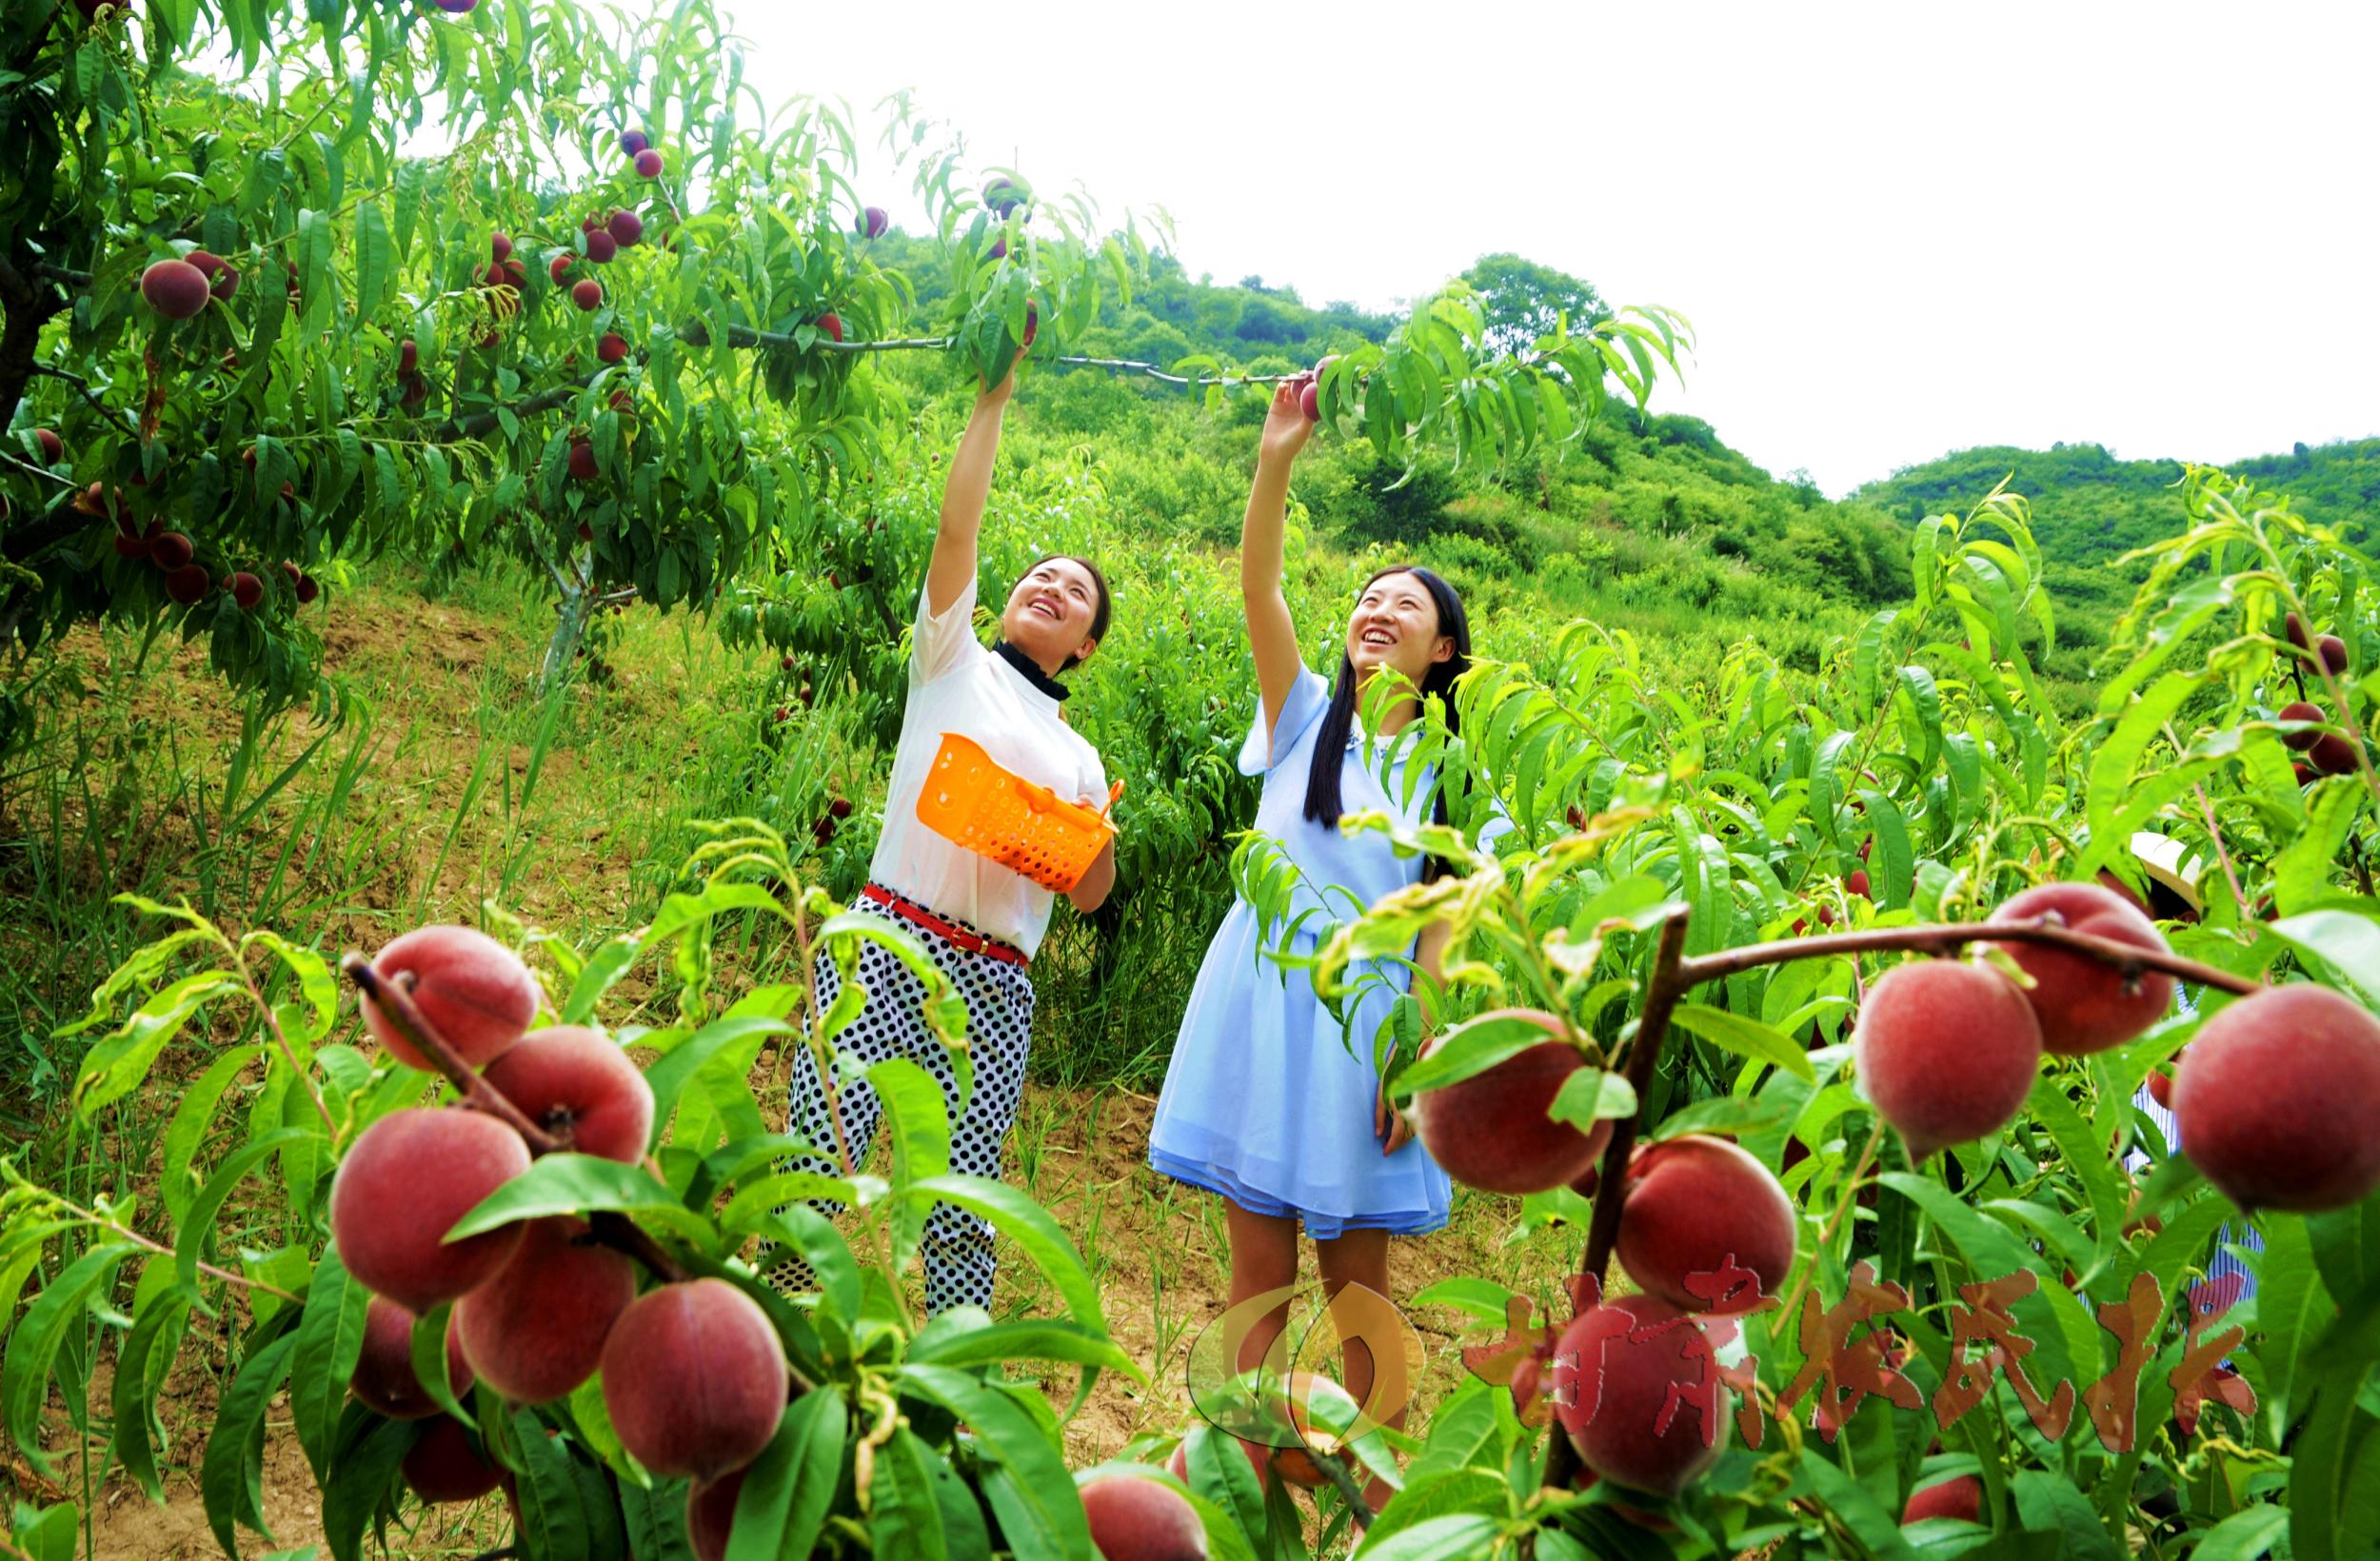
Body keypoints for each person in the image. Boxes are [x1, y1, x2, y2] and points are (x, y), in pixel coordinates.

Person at [1146, 379, 1479, 1509]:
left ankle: (1376, 1499)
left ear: (1443, 654)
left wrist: (1417, 1051)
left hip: (1364, 1021)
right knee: (1252, 1273)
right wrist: (1275, 454)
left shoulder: (1450, 771)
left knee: (1358, 1287)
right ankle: (1230, 1493)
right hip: (1260, 999)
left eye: (1406, 606)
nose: (1377, 610)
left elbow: (1439, 925)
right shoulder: (1301, 721)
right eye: (1368, 598)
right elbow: (1260, 583)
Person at [768, 360, 1118, 1316]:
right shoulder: (951, 657)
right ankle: (778, 1325)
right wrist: (991, 401)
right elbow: (957, 527)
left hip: (995, 979)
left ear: (1085, 644)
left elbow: (1088, 891)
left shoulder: (1079, 753)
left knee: (963, 1194)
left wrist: (1087, 838)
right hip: (890, 938)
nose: (1051, 584)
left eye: (1075, 591)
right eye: (1040, 573)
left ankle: (948, 1357)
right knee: (821, 1148)